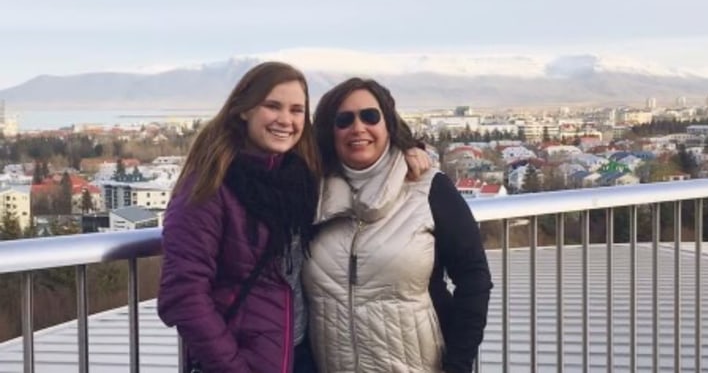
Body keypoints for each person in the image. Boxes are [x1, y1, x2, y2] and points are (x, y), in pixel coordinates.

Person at [157, 62, 431, 373]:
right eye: (272, 106)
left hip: (299, 355)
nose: (285, 120)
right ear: (243, 110)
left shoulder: (300, 174)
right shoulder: (208, 186)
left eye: (297, 110)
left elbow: (358, 151)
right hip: (243, 363)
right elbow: (182, 294)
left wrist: (406, 150)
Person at [303, 77, 493, 373]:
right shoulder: (310, 194)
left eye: (370, 116)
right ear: (329, 131)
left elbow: (474, 278)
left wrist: (457, 364)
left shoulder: (429, 188)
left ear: (388, 124)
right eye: (344, 120)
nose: (358, 128)